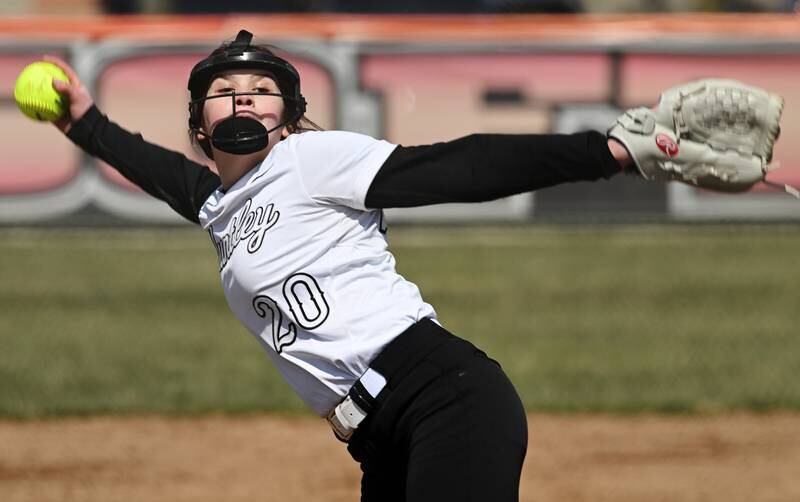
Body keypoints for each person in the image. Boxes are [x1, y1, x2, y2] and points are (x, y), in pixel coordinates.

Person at [47, 29, 632, 502]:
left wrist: (601, 154)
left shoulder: (309, 160)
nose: (244, 96)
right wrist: (84, 124)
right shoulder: (219, 207)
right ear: (200, 123)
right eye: (225, 88)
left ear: (290, 114)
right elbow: (160, 172)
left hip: (443, 401)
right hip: (377, 441)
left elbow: (460, 166)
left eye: (261, 88)